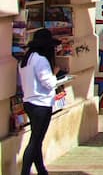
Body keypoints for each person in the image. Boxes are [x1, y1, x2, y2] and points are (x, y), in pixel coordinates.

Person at [18, 28, 61, 175]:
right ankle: (25, 172)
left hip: (29, 102)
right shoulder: (41, 60)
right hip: (41, 104)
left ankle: (42, 170)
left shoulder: (26, 59)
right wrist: (55, 74)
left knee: (37, 140)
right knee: (35, 141)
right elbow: (48, 83)